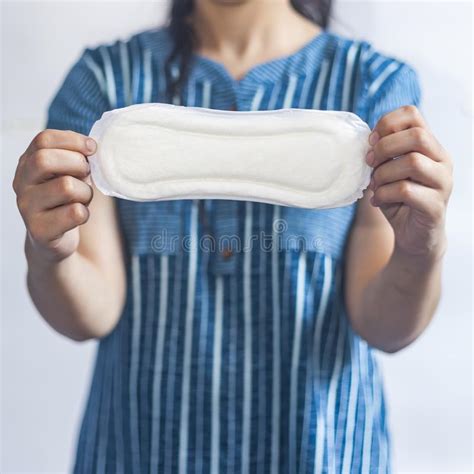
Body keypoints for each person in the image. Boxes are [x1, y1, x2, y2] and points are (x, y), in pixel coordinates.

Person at [12, 0, 453, 472]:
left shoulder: (371, 84)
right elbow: (90, 314)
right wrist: (49, 250)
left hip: (319, 449)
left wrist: (419, 248)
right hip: (142, 449)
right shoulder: (106, 80)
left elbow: (383, 326)